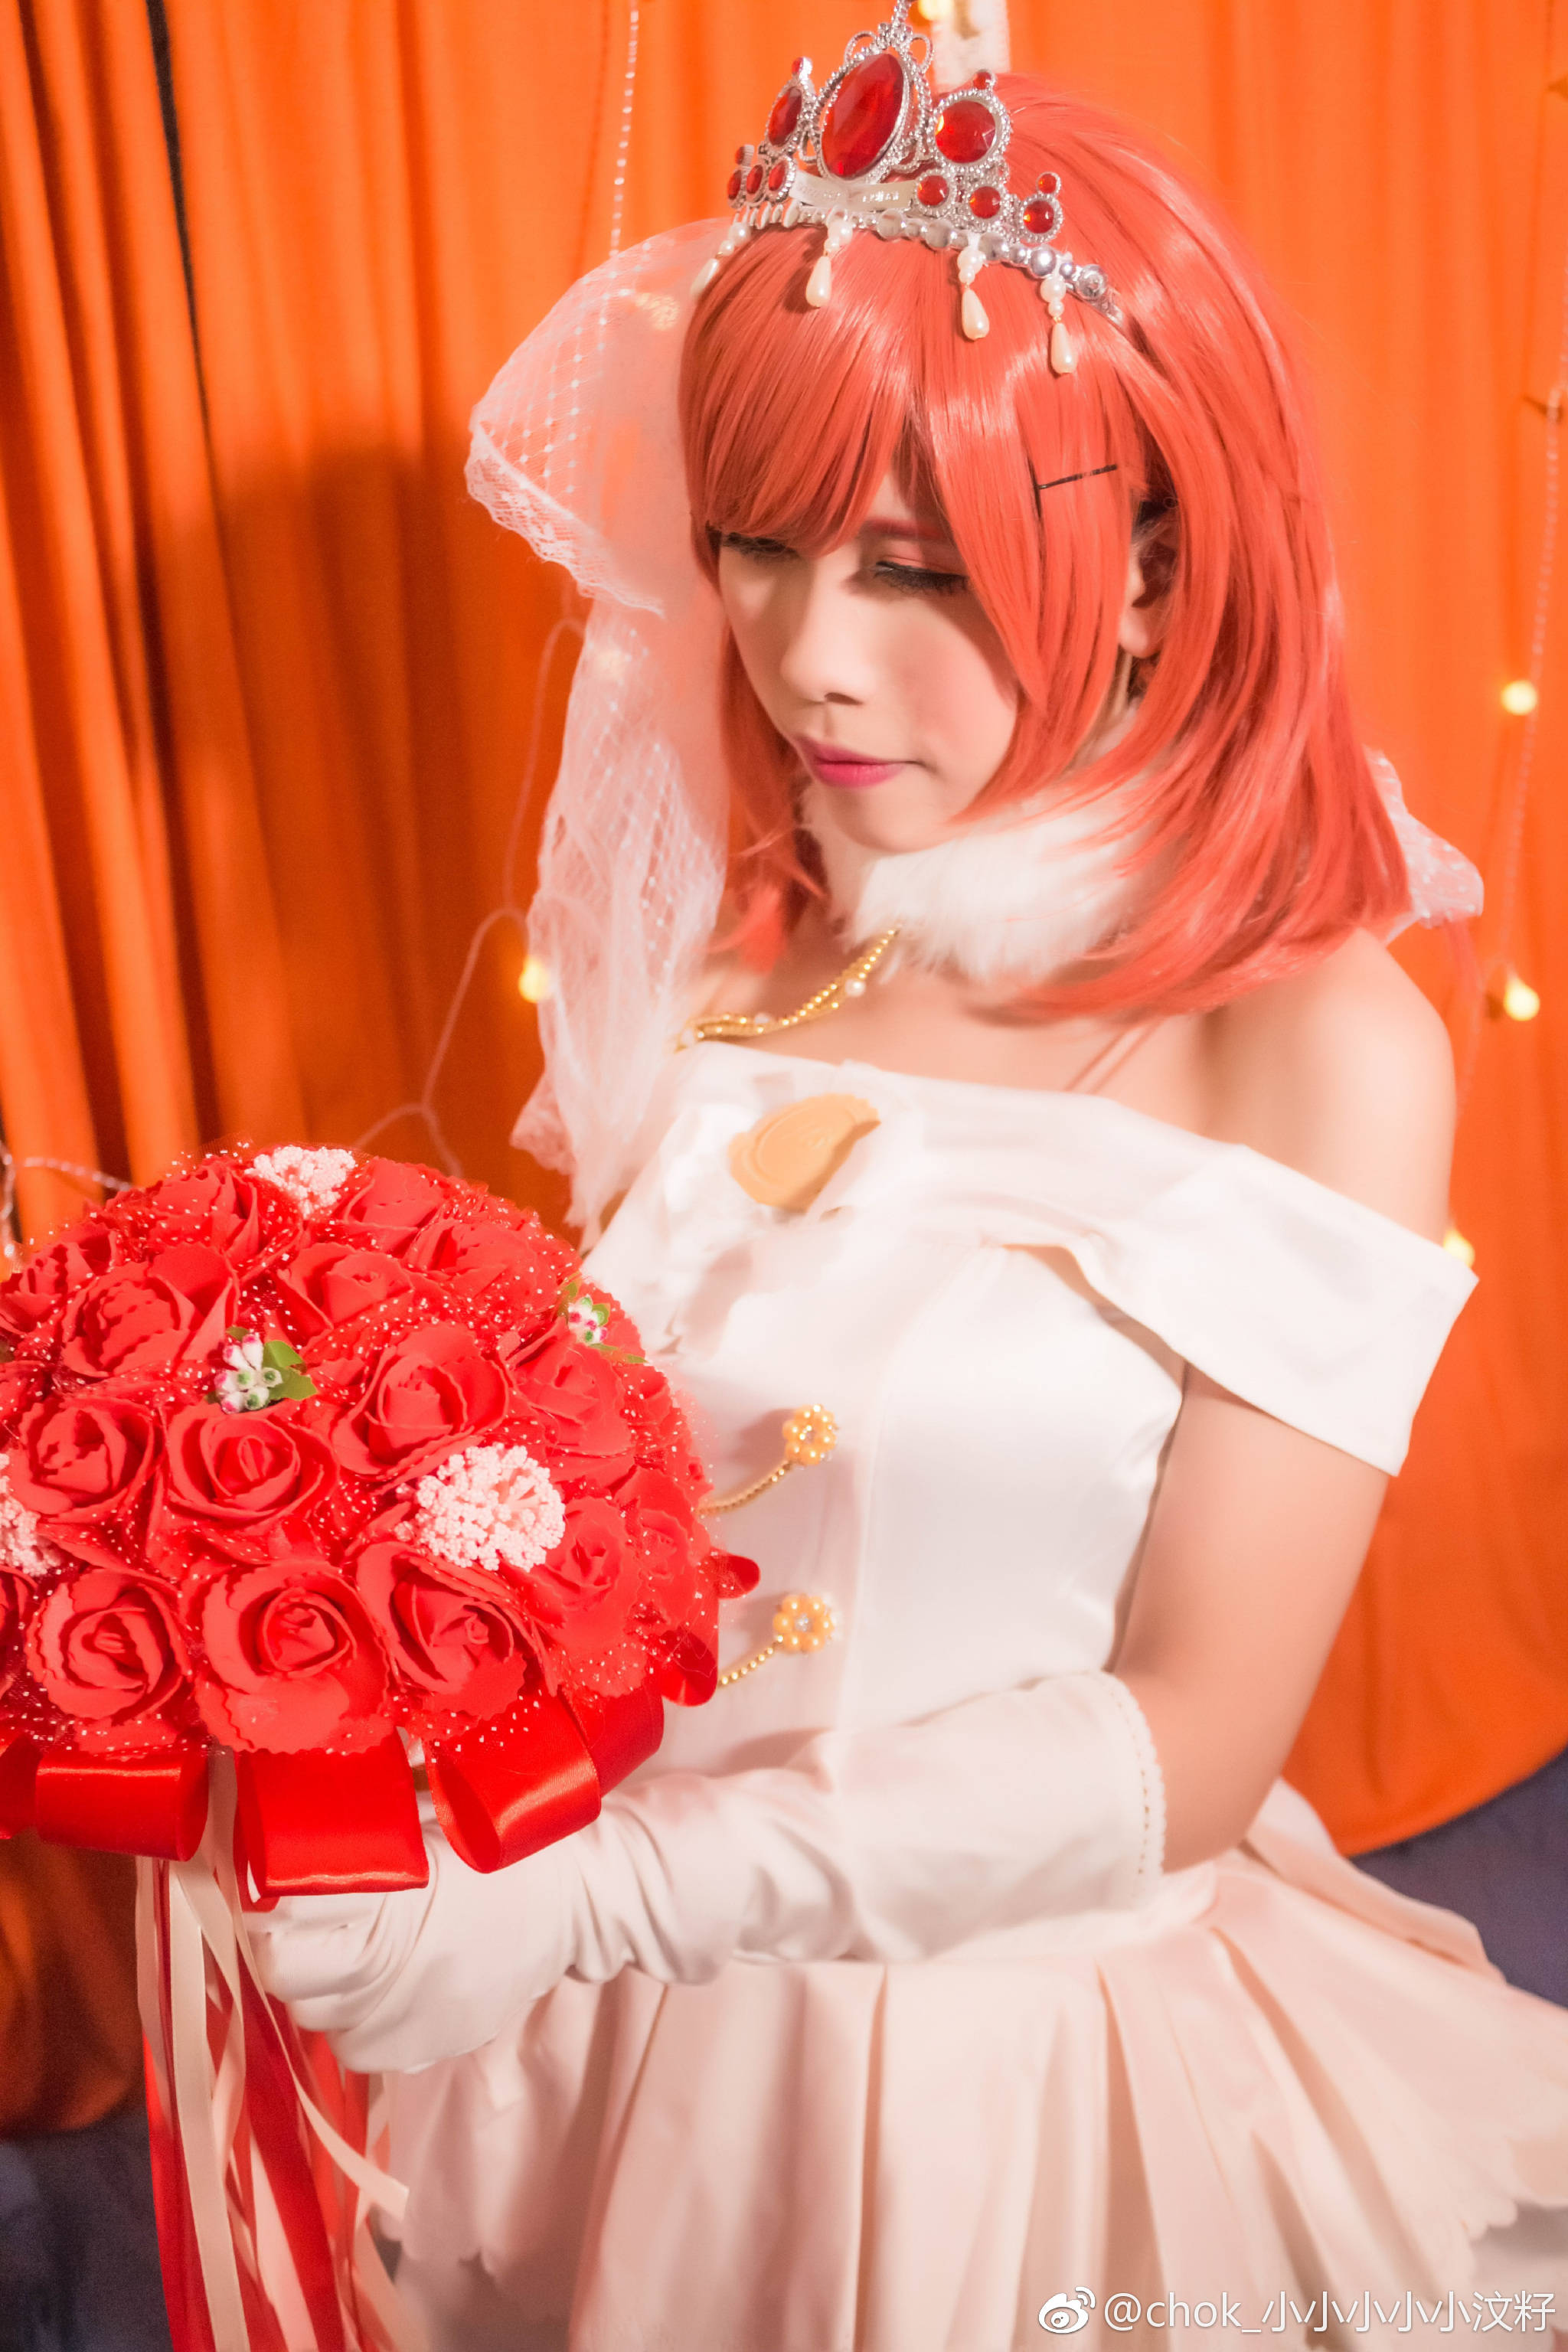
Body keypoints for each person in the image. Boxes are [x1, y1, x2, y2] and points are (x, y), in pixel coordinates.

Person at [252, 12, 1568, 2345]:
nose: (803, 657)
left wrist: (594, 1903)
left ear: (1154, 562)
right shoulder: (748, 941)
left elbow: (1192, 1742)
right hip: (605, 2039)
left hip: (995, 2049)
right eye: (753, 547)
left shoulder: (1315, 1041)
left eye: (912, 566)